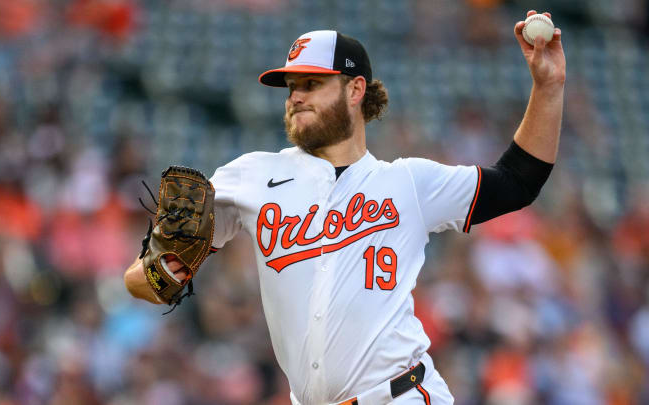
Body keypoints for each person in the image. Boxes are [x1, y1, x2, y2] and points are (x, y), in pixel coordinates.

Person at [124, 10, 565, 404]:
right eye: (291, 86)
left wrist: (548, 86)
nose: (295, 96)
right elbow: (143, 282)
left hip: (401, 395)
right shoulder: (250, 176)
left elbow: (517, 183)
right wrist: (163, 271)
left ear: (355, 89)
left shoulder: (406, 182)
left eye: (312, 84)